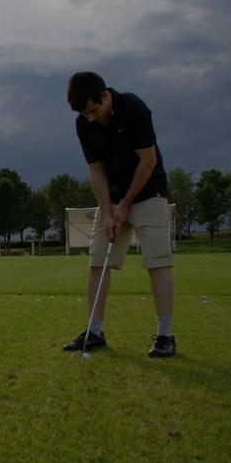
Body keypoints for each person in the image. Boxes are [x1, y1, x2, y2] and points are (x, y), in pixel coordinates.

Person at [62, 72, 176, 358]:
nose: (90, 118)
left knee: (157, 262)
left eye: (93, 110)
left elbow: (147, 161)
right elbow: (96, 170)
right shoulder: (84, 124)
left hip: (148, 191)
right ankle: (95, 332)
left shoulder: (133, 109)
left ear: (105, 96)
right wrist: (108, 211)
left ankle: (165, 336)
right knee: (97, 262)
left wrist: (126, 204)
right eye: (84, 114)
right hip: (112, 199)